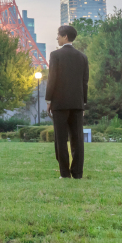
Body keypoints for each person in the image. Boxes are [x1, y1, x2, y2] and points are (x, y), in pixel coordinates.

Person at [45, 24, 90, 179]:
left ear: (65, 37)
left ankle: (64, 173)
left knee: (61, 139)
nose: (57, 37)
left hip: (60, 103)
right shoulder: (82, 57)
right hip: (77, 104)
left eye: (58, 35)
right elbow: (85, 82)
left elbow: (52, 79)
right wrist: (83, 103)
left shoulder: (55, 55)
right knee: (77, 140)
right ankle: (77, 173)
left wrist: (49, 99)